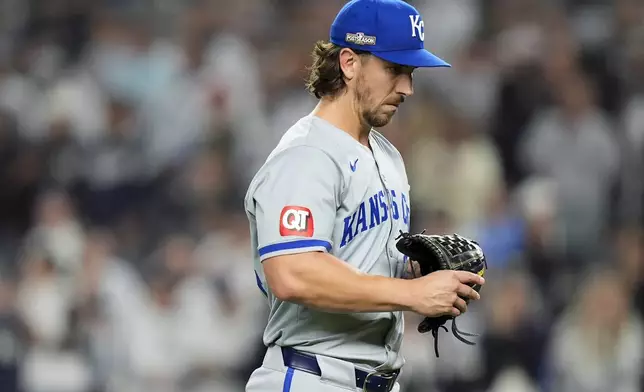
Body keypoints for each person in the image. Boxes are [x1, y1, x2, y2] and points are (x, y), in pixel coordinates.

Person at [243, 1, 485, 391]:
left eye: (410, 72)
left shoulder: (387, 155)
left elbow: (355, 265)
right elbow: (291, 272)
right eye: (394, 70)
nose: (407, 87)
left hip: (377, 379)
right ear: (349, 62)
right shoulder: (307, 154)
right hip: (312, 376)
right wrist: (411, 293)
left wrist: (412, 271)